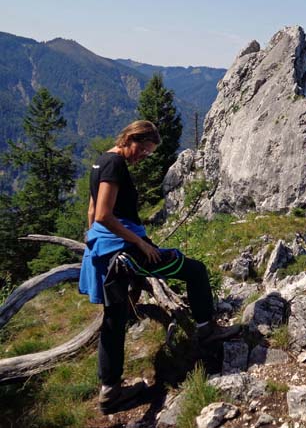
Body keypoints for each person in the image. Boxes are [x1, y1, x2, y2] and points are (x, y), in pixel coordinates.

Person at [78, 120, 238, 414]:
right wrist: (141, 245)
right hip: (125, 251)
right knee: (195, 270)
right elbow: (103, 214)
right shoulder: (114, 164)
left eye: (149, 154)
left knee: (114, 318)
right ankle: (206, 331)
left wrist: (92, 242)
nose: (143, 157)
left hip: (107, 253)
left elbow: (91, 212)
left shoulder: (101, 162)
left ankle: (110, 390)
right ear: (131, 138)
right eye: (144, 150)